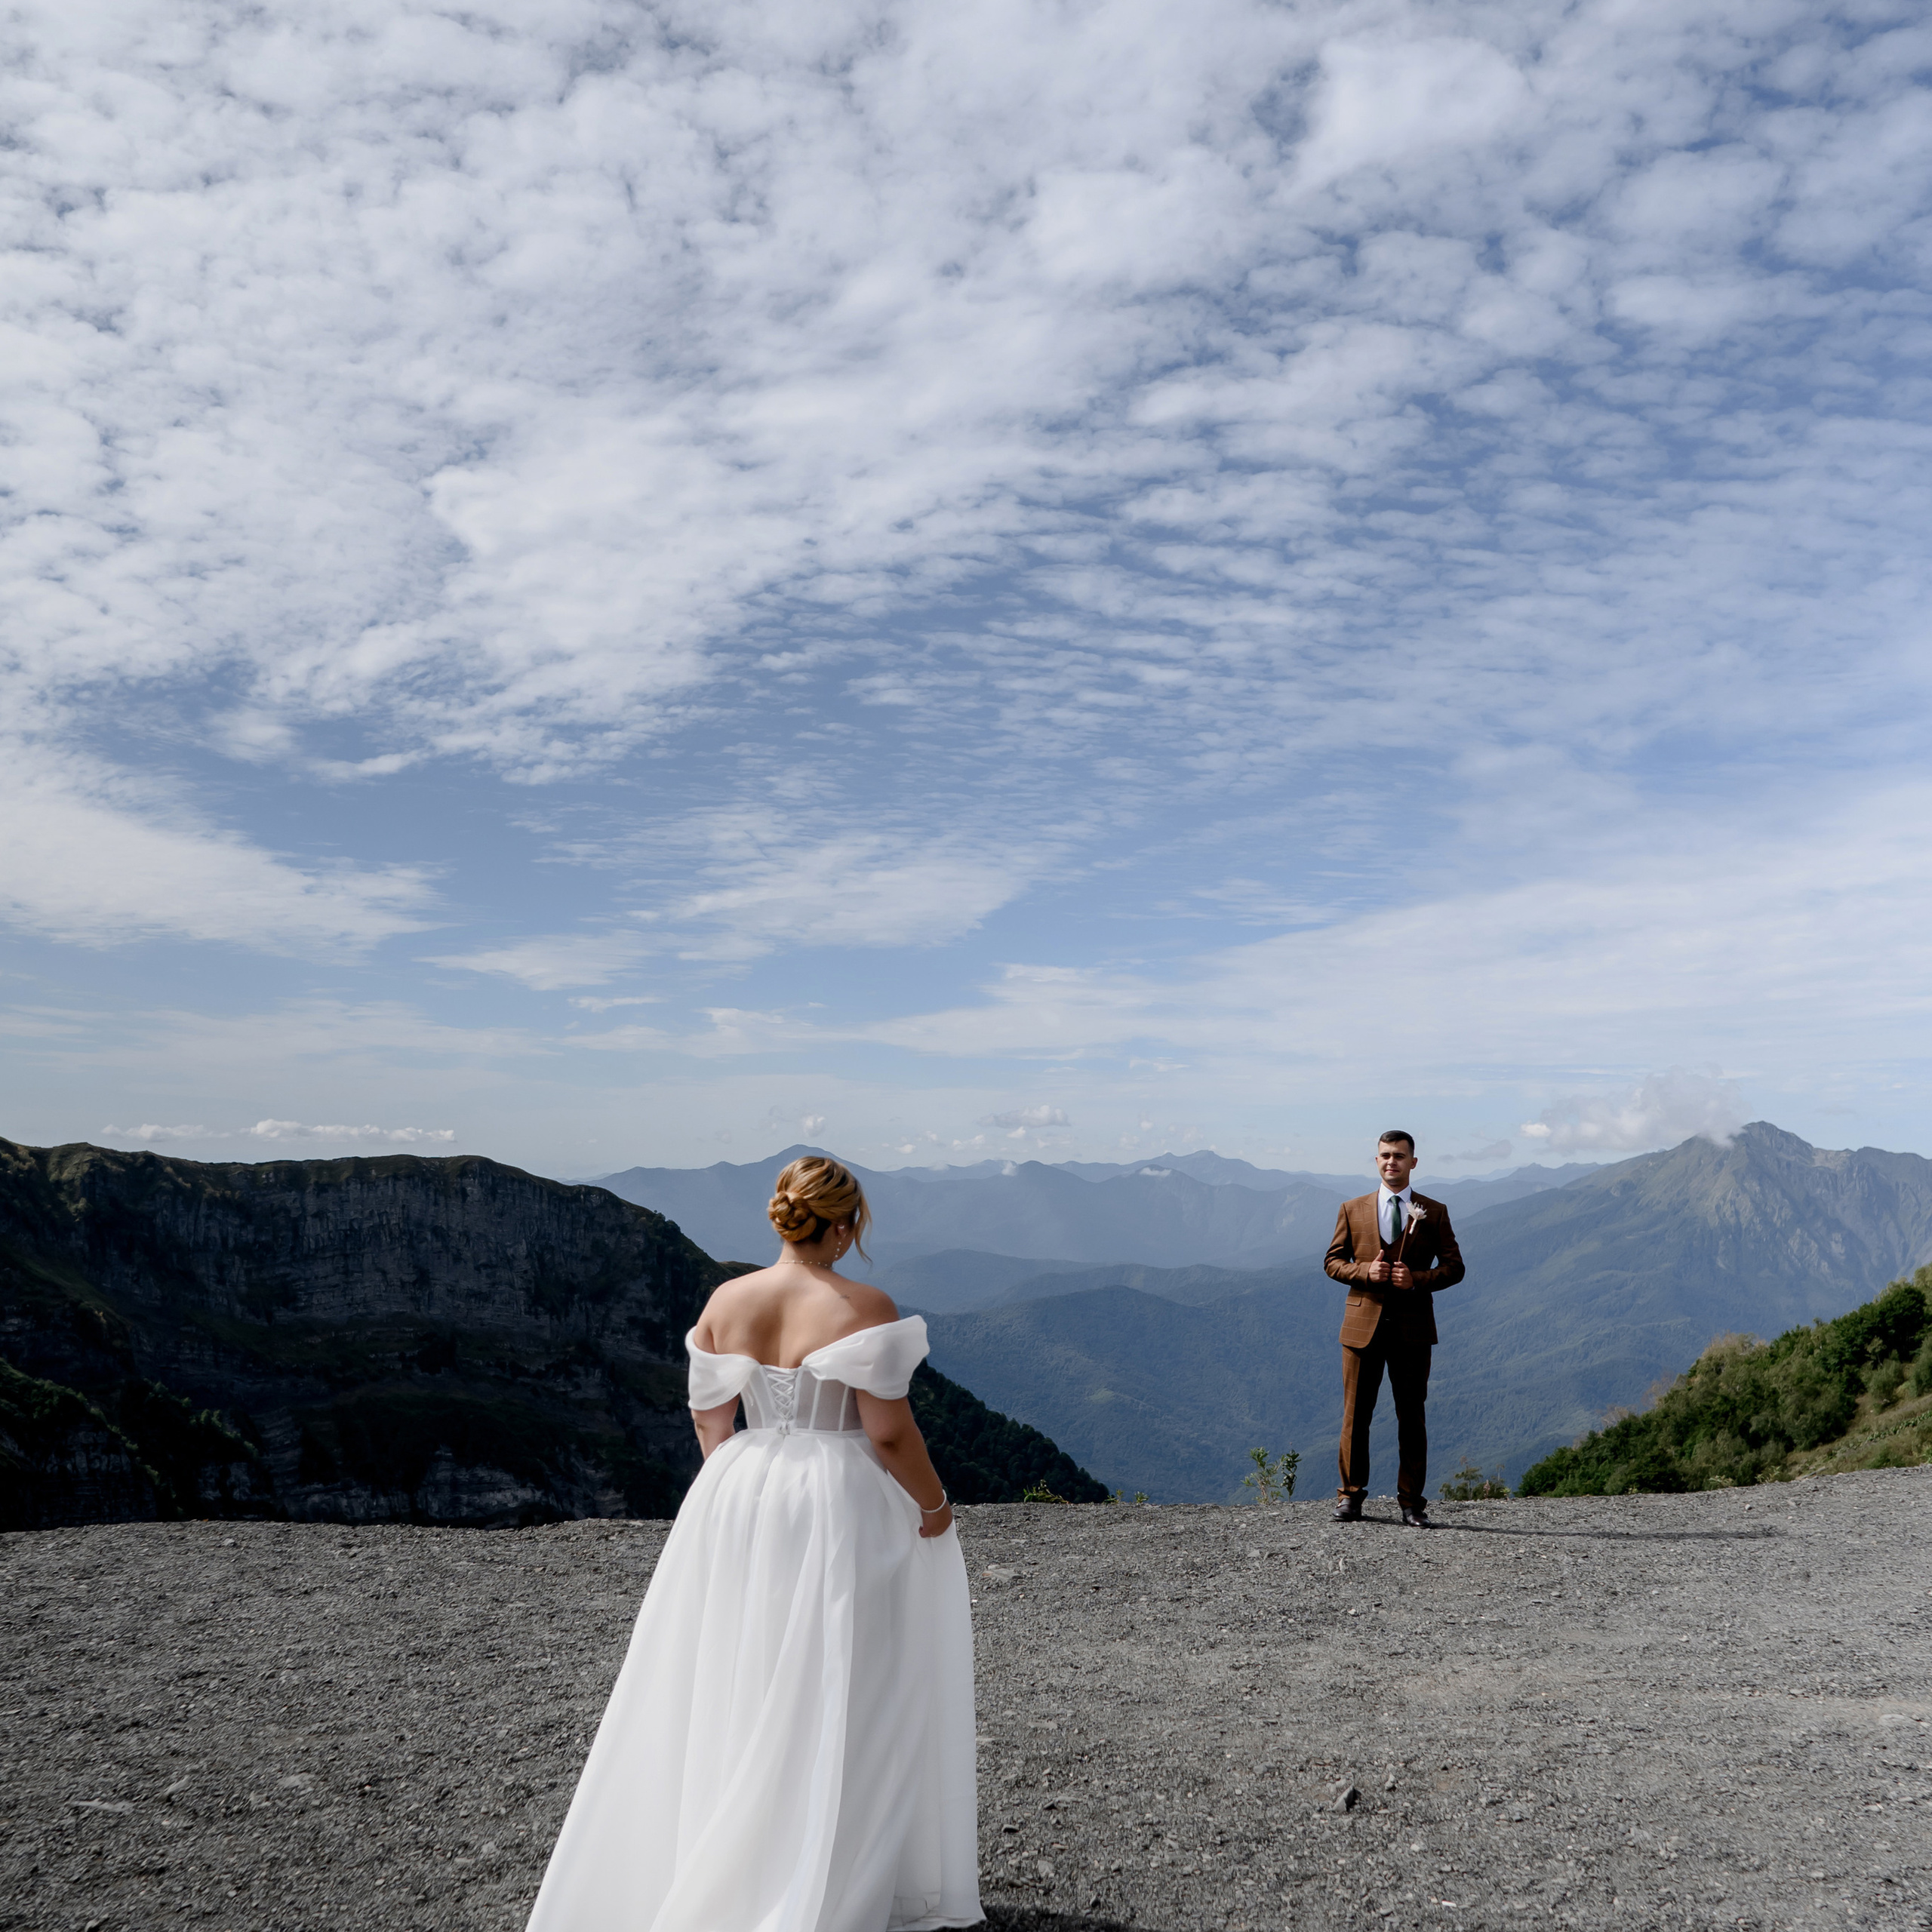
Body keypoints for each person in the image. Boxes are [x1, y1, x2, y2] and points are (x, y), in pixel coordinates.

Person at [524, 1155, 983, 1932]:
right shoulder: (863, 1304)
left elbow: (711, 1418)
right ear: (844, 1225)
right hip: (838, 1496)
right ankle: (819, 1871)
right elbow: (888, 1430)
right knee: (847, 1677)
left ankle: (728, 1857)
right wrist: (935, 1507)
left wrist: (743, 1492)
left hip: (739, 1489)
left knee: (742, 1666)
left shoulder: (726, 1300)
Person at [1322, 1131, 1466, 1527]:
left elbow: (1455, 1268)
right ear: (1376, 1160)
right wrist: (1364, 1271)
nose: (1392, 1162)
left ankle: (1412, 1504)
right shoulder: (1352, 1209)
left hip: (1412, 1330)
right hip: (1361, 1327)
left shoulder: (1434, 1212)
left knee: (1412, 1417)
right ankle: (1350, 1498)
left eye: (1400, 1156)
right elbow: (1332, 1262)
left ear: (1413, 1163)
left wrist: (1417, 1278)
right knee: (1356, 1416)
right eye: (1385, 1156)